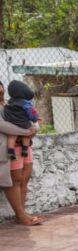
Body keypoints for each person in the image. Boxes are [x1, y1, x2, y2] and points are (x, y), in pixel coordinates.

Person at [0, 81, 40, 226]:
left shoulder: (11, 103)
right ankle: (20, 214)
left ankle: (22, 212)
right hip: (8, 149)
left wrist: (34, 129)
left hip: (24, 146)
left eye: (1, 90)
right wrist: (27, 132)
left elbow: (33, 120)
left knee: (24, 179)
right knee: (15, 180)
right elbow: (2, 125)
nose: (1, 93)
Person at [3, 80, 38, 162]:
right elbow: (31, 113)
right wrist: (35, 119)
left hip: (11, 123)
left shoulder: (10, 101)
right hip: (24, 123)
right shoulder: (26, 103)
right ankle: (24, 149)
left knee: (12, 136)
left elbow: (6, 112)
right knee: (27, 135)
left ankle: (10, 151)